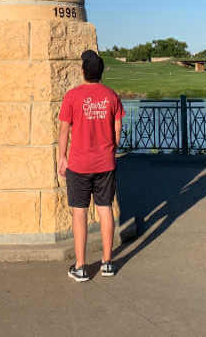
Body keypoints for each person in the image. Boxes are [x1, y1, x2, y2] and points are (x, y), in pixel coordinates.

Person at [58, 50, 125, 282]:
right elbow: (117, 130)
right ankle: (107, 262)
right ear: (102, 72)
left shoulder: (72, 96)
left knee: (80, 212)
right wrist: (111, 148)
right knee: (105, 208)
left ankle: (81, 266)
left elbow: (64, 130)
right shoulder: (111, 96)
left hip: (79, 163)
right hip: (105, 163)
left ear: (83, 71)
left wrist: (61, 157)